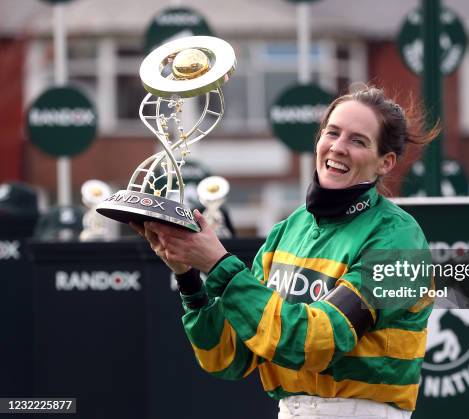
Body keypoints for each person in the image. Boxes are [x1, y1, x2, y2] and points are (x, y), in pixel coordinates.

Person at [133, 86, 436, 419]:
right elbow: (228, 357)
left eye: (358, 141)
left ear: (386, 162)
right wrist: (188, 275)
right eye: (331, 133)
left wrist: (218, 264)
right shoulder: (289, 229)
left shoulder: (399, 240)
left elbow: (314, 344)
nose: (337, 147)